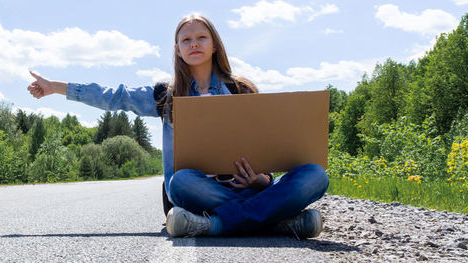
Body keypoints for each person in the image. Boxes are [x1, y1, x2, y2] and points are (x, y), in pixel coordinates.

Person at [25, 14, 328, 239]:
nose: (193, 43)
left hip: (249, 192)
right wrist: (56, 87)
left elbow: (265, 149)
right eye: (186, 39)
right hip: (198, 195)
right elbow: (113, 97)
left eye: (201, 37)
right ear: (178, 50)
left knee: (315, 175)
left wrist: (262, 180)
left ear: (214, 45)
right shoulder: (166, 96)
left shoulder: (241, 90)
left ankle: (217, 226)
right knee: (179, 182)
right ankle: (277, 222)